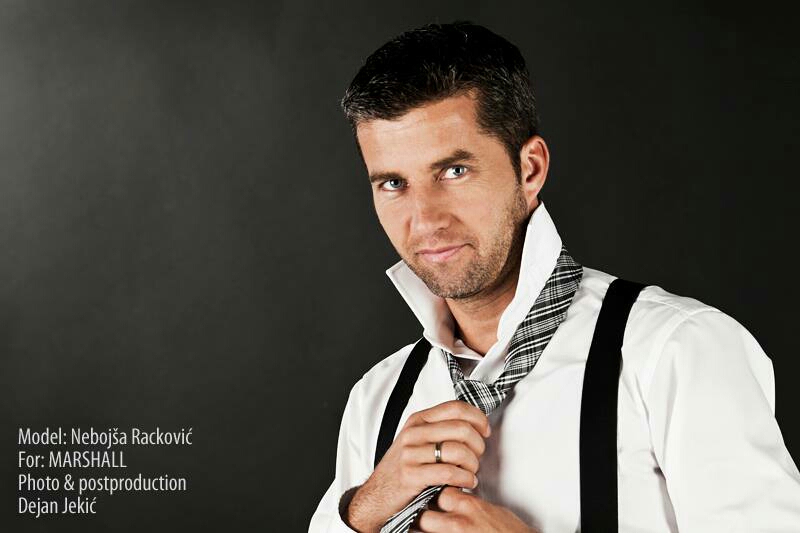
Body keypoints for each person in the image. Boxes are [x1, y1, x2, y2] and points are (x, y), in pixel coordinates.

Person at [308, 21, 800, 533]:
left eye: (454, 171)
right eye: (393, 183)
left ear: (530, 169)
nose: (425, 219)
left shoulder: (676, 351)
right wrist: (363, 509)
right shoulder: (378, 399)